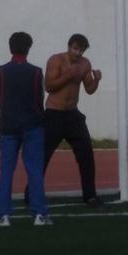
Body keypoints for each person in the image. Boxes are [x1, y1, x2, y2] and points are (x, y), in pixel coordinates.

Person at [26, 33, 104, 209]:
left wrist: (97, 80)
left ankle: (90, 197)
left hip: (73, 115)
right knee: (43, 156)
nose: (77, 53)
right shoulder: (56, 60)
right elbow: (49, 86)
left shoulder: (85, 64)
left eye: (81, 50)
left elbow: (89, 89)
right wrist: (68, 75)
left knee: (86, 155)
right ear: (69, 47)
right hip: (54, 113)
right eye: (75, 48)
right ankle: (30, 194)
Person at [0, 32, 52, 227]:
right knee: (35, 171)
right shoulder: (36, 72)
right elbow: (40, 98)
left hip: (8, 125)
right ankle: (39, 214)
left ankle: (3, 216)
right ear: (29, 48)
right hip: (32, 125)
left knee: (6, 171)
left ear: (10, 47)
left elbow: (0, 96)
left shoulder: (1, 71)